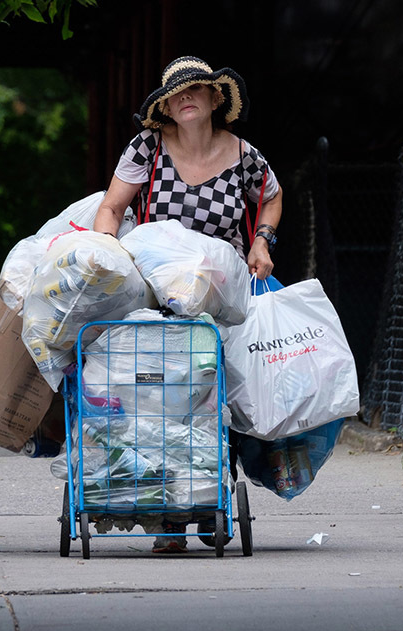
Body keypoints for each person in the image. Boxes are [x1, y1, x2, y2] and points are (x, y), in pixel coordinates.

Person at [93, 56, 283, 553]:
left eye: (196, 90)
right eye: (176, 95)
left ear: (216, 98)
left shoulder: (245, 156)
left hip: (221, 298)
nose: (186, 98)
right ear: (167, 109)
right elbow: (111, 209)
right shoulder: (148, 148)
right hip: (160, 297)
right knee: (162, 400)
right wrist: (105, 257)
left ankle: (208, 494)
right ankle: (170, 517)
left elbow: (272, 196)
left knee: (215, 396)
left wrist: (261, 241)